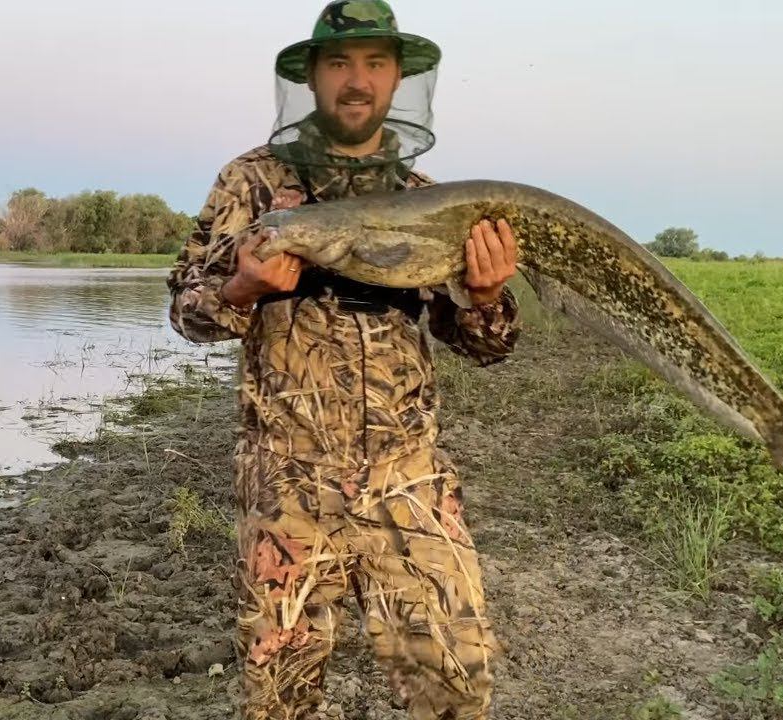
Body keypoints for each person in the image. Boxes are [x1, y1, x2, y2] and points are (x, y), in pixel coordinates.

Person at [167, 2, 520, 717]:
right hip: (286, 483)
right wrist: (240, 289)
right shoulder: (251, 184)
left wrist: (483, 297)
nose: (356, 81)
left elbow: (485, 344)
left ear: (397, 79)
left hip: (409, 478)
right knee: (282, 694)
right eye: (338, 63)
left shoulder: (431, 202)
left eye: (375, 63)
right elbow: (186, 310)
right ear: (311, 77)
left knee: (454, 681)